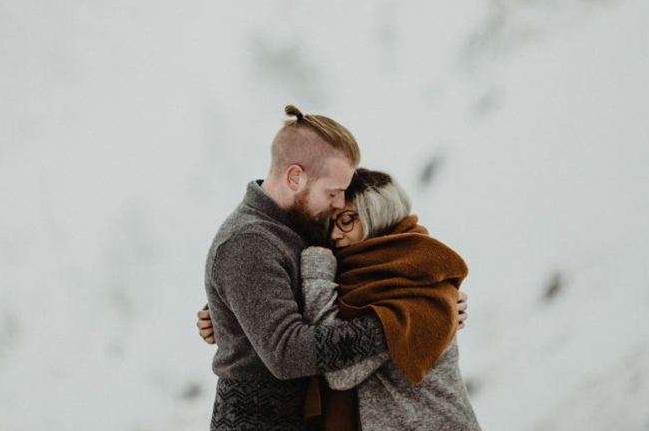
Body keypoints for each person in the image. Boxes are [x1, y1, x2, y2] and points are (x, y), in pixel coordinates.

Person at [203, 105, 391, 430]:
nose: (339, 203)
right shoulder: (248, 241)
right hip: (256, 421)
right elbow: (288, 353)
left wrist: (430, 296)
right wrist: (398, 326)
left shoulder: (299, 225)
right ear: (295, 177)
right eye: (332, 192)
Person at [300, 168, 482, 431]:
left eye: (346, 220)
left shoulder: (413, 291)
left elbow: (339, 369)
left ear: (376, 215)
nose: (335, 234)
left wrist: (317, 273)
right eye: (331, 223)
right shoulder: (370, 279)